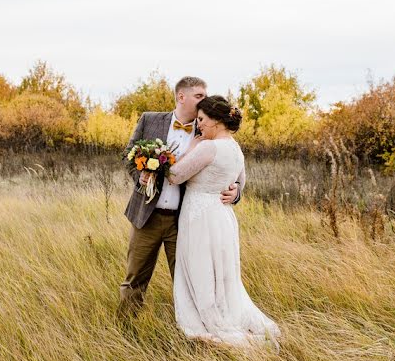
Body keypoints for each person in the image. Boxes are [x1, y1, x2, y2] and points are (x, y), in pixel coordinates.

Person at [118, 77, 242, 316]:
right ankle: (126, 331)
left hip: (184, 220)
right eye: (199, 96)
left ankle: (189, 334)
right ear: (181, 97)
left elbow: (229, 163)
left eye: (205, 95)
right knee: (135, 279)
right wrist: (140, 175)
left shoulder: (207, 129)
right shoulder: (150, 120)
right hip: (147, 216)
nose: (204, 100)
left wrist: (235, 190)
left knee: (190, 281)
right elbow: (128, 155)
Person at [167, 95, 281, 347]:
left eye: (202, 120)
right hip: (222, 217)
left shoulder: (208, 147)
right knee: (222, 274)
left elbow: (174, 176)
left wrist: (190, 149)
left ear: (217, 121)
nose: (199, 126)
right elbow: (241, 180)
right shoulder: (235, 149)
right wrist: (237, 191)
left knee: (201, 272)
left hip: (200, 218)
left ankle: (212, 324)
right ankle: (228, 315)